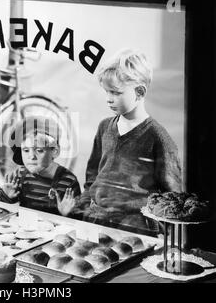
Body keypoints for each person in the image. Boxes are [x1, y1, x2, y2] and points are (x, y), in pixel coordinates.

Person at [78, 48, 182, 235]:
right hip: (97, 219)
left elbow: (172, 197)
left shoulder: (158, 137)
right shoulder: (104, 127)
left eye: (116, 93)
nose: (109, 99)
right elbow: (92, 174)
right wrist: (85, 207)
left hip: (135, 227)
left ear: (140, 92)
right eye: (106, 92)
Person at [0, 116, 81, 217]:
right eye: (26, 150)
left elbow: (80, 220)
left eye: (39, 150)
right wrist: (6, 196)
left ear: (54, 151)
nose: (31, 156)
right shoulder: (20, 175)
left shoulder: (68, 182)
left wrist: (67, 214)